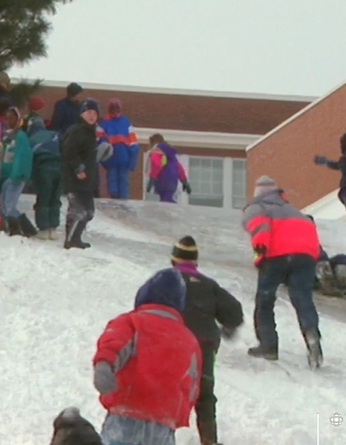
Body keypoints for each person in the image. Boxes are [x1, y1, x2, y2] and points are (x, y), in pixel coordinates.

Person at [93, 268, 202, 445]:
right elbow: (192, 385)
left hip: (127, 412)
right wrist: (178, 416)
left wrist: (104, 365)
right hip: (164, 424)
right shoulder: (189, 339)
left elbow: (114, 343)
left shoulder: (131, 322)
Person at [242, 175, 323, 369]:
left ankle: (268, 345)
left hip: (276, 256)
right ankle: (311, 333)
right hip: (305, 257)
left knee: (265, 299)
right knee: (302, 298)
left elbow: (260, 228)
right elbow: (311, 235)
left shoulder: (258, 207)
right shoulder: (295, 212)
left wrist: (260, 254)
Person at [171, 236, 243, 445]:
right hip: (204, 344)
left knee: (170, 388)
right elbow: (234, 311)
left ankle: (163, 436)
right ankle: (209, 440)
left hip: (175, 341)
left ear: (173, 260)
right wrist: (228, 327)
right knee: (204, 393)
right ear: (195, 262)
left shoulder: (166, 281)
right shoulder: (208, 284)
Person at [60, 99, 111, 249]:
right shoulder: (76, 130)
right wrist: (78, 168)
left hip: (86, 180)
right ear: (81, 113)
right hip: (75, 178)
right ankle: (71, 240)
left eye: (95, 113)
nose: (92, 115)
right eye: (88, 112)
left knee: (89, 211)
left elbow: (89, 157)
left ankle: (75, 238)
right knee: (79, 210)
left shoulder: (90, 133)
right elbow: (68, 152)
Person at [0, 107, 36, 237]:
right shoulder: (4, 137)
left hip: (15, 176)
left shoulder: (20, 136)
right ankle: (12, 227)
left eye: (11, 118)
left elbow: (22, 156)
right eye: (6, 118)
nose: (8, 121)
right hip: (5, 176)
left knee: (9, 205)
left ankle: (19, 230)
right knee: (2, 204)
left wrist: (19, 173)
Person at [26, 116, 63, 240]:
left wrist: (30, 177)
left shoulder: (31, 139)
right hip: (61, 167)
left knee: (44, 198)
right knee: (55, 198)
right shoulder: (55, 134)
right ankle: (53, 228)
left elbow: (29, 159)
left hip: (44, 168)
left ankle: (44, 228)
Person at [305, 215, 346, 297]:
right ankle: (328, 282)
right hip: (302, 271)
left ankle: (336, 279)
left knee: (342, 259)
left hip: (319, 265)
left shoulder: (310, 239)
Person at [99, 98, 140, 199]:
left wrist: (103, 159)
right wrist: (132, 161)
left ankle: (118, 202)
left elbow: (99, 142)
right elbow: (133, 143)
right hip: (120, 157)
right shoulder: (125, 122)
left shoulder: (104, 122)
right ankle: (120, 203)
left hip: (115, 158)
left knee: (117, 184)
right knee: (120, 185)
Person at [146, 134, 191, 203]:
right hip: (172, 180)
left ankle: (173, 211)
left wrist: (152, 179)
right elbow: (179, 167)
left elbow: (156, 165)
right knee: (167, 198)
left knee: (165, 202)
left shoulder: (156, 151)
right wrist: (184, 182)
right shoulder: (170, 154)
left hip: (163, 178)